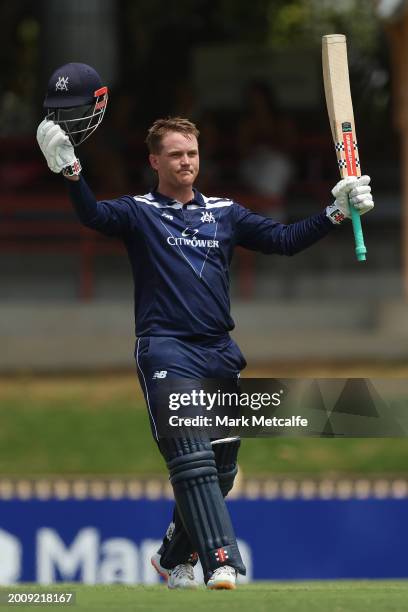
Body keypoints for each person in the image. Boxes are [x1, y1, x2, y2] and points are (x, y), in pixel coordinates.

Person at [36, 65, 374, 591]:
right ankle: (220, 560)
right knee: (190, 455)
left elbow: (284, 241)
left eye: (192, 153)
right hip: (167, 350)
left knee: (221, 471)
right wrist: (71, 173)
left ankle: (172, 557)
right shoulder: (139, 213)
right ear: (155, 161)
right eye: (175, 154)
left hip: (219, 351)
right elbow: (94, 220)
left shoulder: (225, 213)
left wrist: (336, 209)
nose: (186, 161)